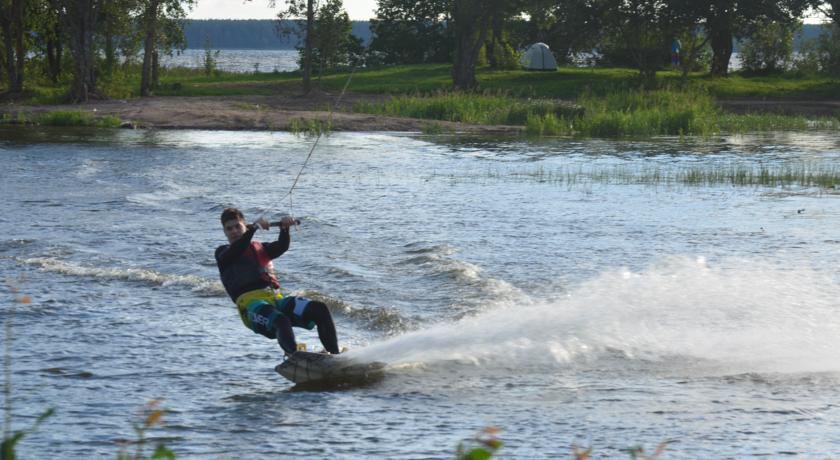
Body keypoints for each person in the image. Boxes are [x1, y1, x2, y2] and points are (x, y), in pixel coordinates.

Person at [215, 207, 340, 356]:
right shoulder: (223, 253)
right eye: (229, 229)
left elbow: (282, 246)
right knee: (280, 320)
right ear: (224, 232)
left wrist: (284, 228)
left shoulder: (261, 248)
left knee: (319, 309)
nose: (234, 231)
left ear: (244, 226)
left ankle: (335, 356)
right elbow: (238, 249)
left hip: (276, 300)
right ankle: (295, 357)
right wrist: (253, 229)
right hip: (251, 307)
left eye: (237, 226)